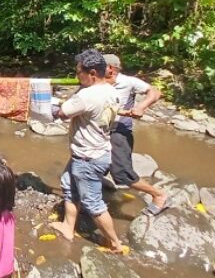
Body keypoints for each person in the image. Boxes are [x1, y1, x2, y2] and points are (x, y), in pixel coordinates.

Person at [49, 49, 124, 254]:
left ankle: (115, 242)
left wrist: (43, 105)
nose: (76, 76)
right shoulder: (111, 90)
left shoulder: (87, 96)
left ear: (92, 73)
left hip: (88, 157)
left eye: (79, 72)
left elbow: (62, 114)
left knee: (93, 203)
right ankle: (68, 227)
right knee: (69, 185)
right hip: (97, 151)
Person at [103, 54, 168, 215]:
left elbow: (155, 92)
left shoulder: (128, 82)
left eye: (99, 65)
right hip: (100, 130)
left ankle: (159, 195)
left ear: (110, 69)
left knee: (122, 174)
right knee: (92, 163)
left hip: (119, 131)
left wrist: (141, 106)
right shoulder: (98, 82)